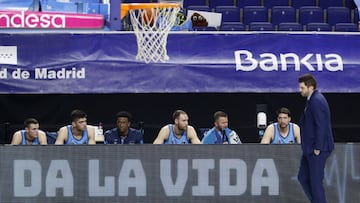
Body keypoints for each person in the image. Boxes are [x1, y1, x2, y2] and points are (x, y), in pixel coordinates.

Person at [297, 74, 334, 203]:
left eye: (302, 88)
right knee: (302, 177)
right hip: (310, 148)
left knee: (316, 182)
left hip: (317, 148)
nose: (300, 90)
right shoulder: (312, 100)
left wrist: (318, 146)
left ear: (310, 87)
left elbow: (321, 125)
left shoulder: (317, 100)